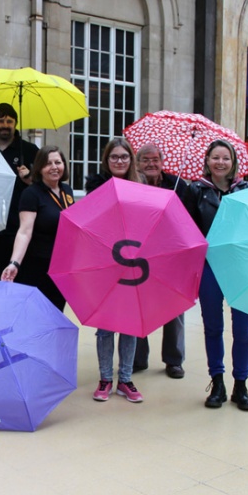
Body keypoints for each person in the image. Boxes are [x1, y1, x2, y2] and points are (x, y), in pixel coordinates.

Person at [183, 139, 248, 411]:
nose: (220, 162)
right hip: (210, 266)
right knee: (213, 327)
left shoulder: (246, 190)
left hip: (241, 267)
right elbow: (187, 229)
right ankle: (218, 381)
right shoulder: (196, 190)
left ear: (233, 162)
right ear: (208, 160)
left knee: (243, 331)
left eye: (226, 158)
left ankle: (241, 385)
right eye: (216, 157)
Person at [85, 138, 144, 403]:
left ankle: (126, 379)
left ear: (131, 160)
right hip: (105, 262)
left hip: (134, 261)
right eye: (114, 157)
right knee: (106, 325)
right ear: (106, 160)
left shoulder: (140, 187)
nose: (119, 161)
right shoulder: (96, 185)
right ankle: (106, 378)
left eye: (124, 157)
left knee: (130, 324)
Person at [133, 143, 188, 379]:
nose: (151, 164)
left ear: (162, 162)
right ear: (138, 163)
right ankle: (137, 357)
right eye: (145, 160)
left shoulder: (178, 186)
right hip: (139, 256)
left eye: (155, 159)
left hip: (171, 257)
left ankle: (174, 360)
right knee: (137, 306)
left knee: (174, 308)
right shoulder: (132, 185)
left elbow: (188, 221)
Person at [1, 145, 73, 311]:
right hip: (37, 268)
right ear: (40, 168)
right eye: (48, 163)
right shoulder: (31, 194)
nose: (54, 167)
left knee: (56, 315)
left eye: (58, 162)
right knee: (35, 316)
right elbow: (24, 232)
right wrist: (14, 263)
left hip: (61, 268)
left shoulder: (66, 191)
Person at [0, 103, 39, 281]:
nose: (5, 125)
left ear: (15, 123)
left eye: (9, 121)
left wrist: (30, 179)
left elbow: (45, 187)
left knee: (23, 281)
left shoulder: (30, 151)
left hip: (22, 228)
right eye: (0, 121)